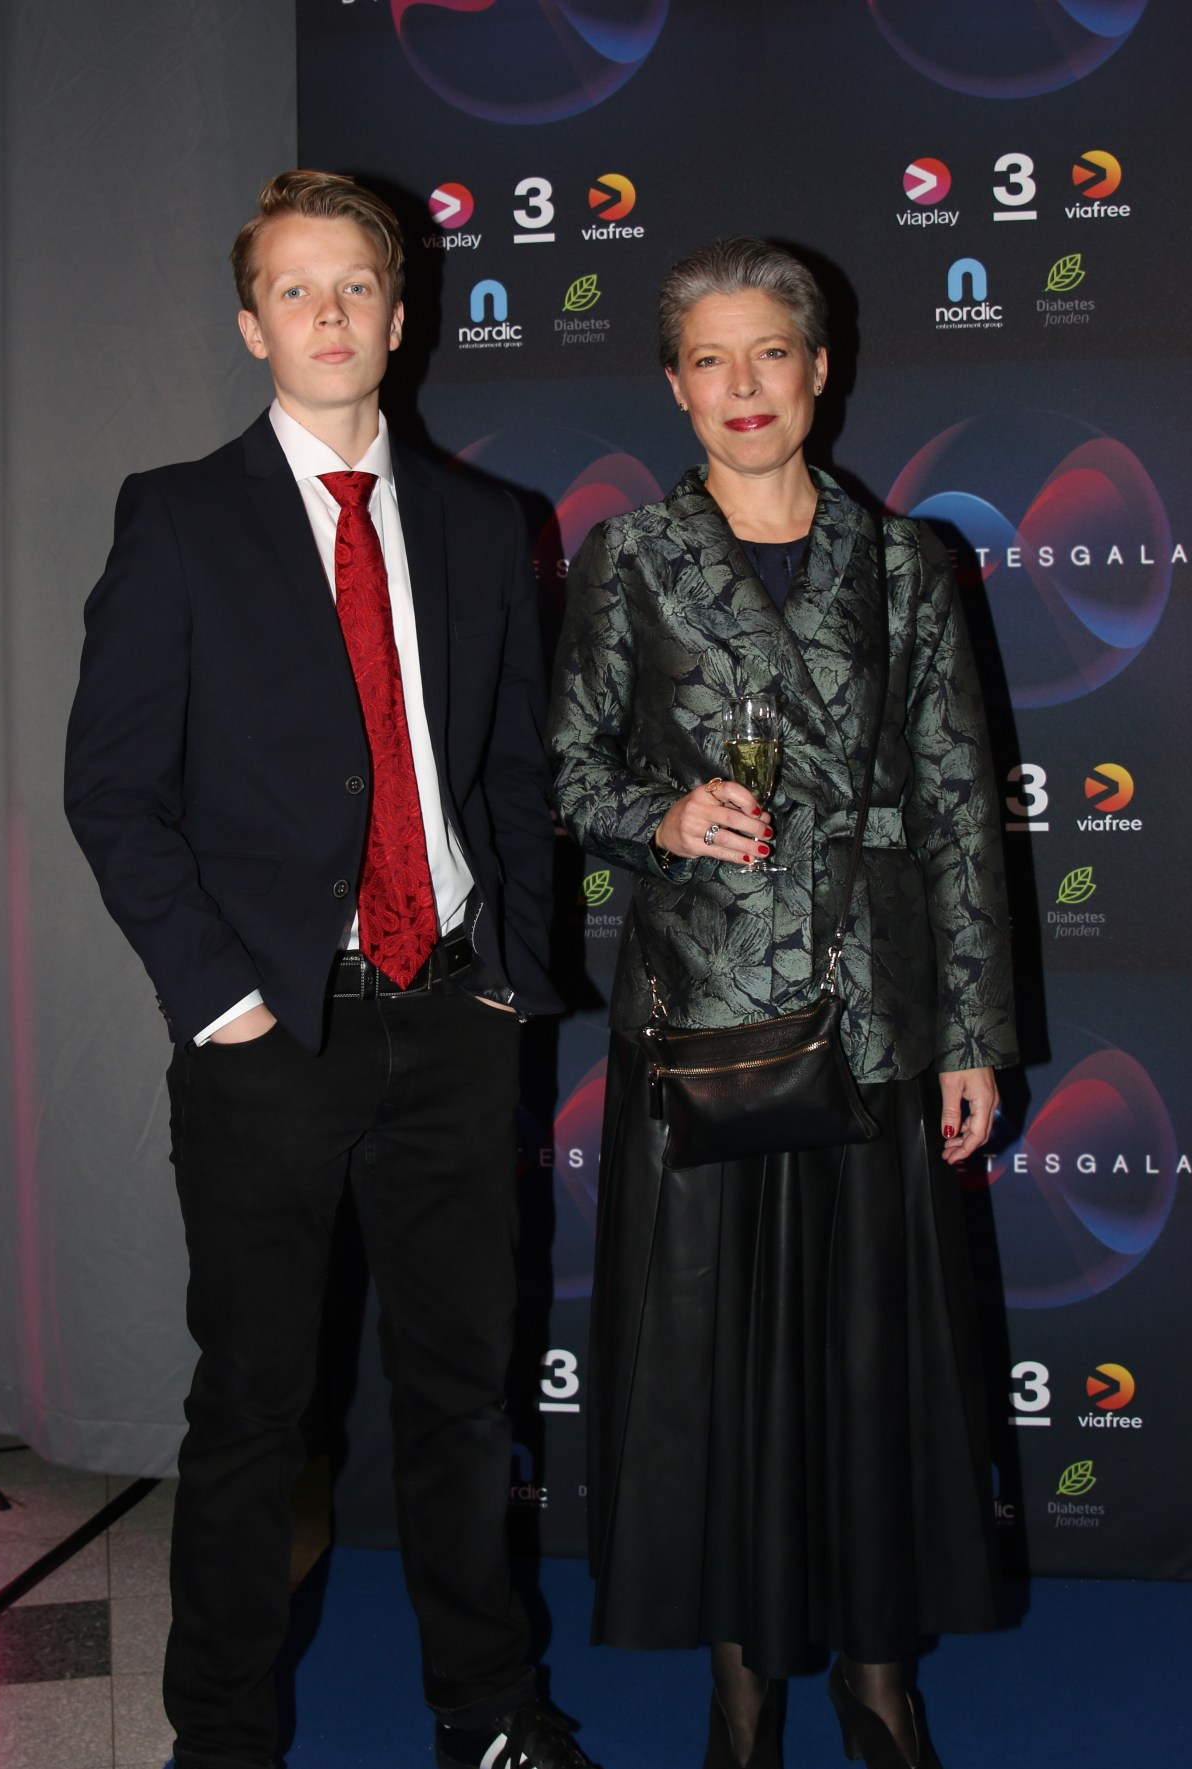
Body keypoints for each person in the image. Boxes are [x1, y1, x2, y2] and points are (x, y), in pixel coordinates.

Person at [65, 170, 595, 1769]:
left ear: (401, 313)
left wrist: (506, 975)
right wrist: (220, 997)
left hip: (454, 1022)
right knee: (250, 1409)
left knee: (462, 1398)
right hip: (270, 1037)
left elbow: (516, 773)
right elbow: (114, 789)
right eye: (294, 290)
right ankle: (222, 1738)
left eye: (355, 284)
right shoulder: (178, 516)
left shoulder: (487, 526)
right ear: (252, 327)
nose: (329, 313)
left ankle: (487, 1711)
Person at [547, 237, 1018, 1769]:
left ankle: (881, 1682)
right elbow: (566, 773)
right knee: (719, 1369)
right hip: (708, 1020)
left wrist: (971, 1035)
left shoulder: (905, 563)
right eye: (711, 359)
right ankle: (742, 1688)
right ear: (673, 384)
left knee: (876, 1364)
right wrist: (664, 815)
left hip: (873, 1016)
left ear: (821, 369)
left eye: (771, 354)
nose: (743, 386)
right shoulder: (631, 556)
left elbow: (957, 807)